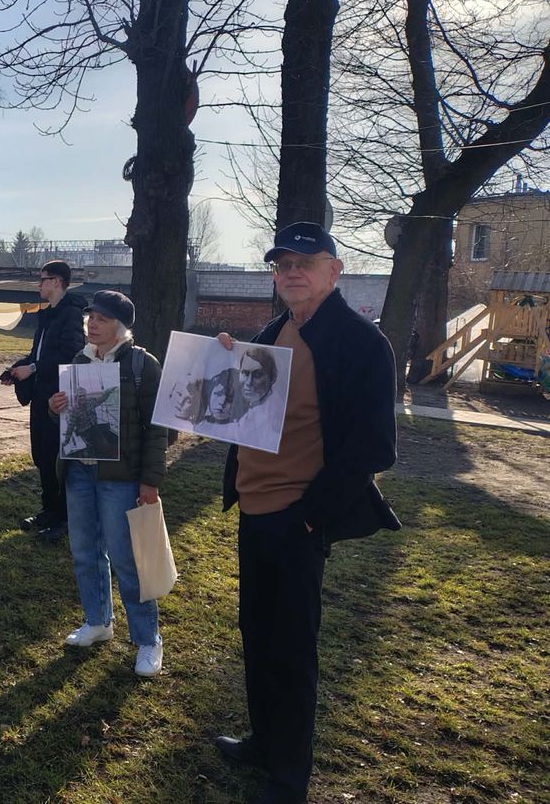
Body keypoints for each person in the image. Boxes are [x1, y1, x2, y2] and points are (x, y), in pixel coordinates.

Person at [213, 221, 399, 804]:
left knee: (293, 647)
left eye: (305, 261)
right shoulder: (272, 331)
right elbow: (241, 414)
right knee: (257, 633)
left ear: (334, 272)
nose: (291, 271)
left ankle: (289, 778)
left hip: (300, 516)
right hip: (255, 509)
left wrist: (313, 516)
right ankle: (264, 741)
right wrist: (221, 367)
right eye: (282, 263)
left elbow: (375, 447)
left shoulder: (362, 342)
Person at [48, 290, 168, 677]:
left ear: (120, 324)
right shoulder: (79, 361)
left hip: (121, 479)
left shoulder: (141, 365)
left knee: (127, 559)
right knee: (84, 552)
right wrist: (57, 410)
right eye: (90, 317)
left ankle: (148, 639)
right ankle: (98, 622)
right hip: (80, 472)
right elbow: (70, 420)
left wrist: (150, 481)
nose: (92, 324)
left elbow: (157, 429)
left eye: (100, 318)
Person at [1, 260, 86, 541]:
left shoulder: (72, 314)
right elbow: (36, 355)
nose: (39, 284)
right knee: (41, 456)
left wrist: (34, 368)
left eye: (43, 279)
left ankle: (63, 518)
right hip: (40, 396)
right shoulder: (47, 315)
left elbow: (70, 355)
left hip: (59, 399)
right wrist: (17, 369)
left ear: (58, 282)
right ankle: (49, 510)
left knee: (56, 459)